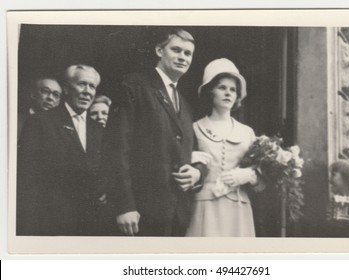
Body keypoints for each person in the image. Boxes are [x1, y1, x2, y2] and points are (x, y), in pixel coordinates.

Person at [104, 29, 206, 236]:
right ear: (160, 50)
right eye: (176, 50)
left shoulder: (184, 104)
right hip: (140, 213)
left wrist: (197, 173)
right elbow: (116, 147)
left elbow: (194, 149)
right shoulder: (134, 85)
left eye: (188, 54)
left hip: (177, 213)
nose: (182, 57)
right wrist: (125, 205)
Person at [17, 64, 110, 236]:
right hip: (51, 223)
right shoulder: (40, 122)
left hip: (92, 223)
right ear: (66, 88)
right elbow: (26, 176)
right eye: (82, 84)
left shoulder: (100, 129)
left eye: (92, 87)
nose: (87, 91)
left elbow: (106, 169)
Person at [186, 58, 263, 237]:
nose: (228, 93)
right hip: (204, 206)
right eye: (222, 88)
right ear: (210, 91)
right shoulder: (195, 128)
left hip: (238, 207)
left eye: (233, 89)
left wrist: (250, 176)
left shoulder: (247, 132)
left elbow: (262, 182)